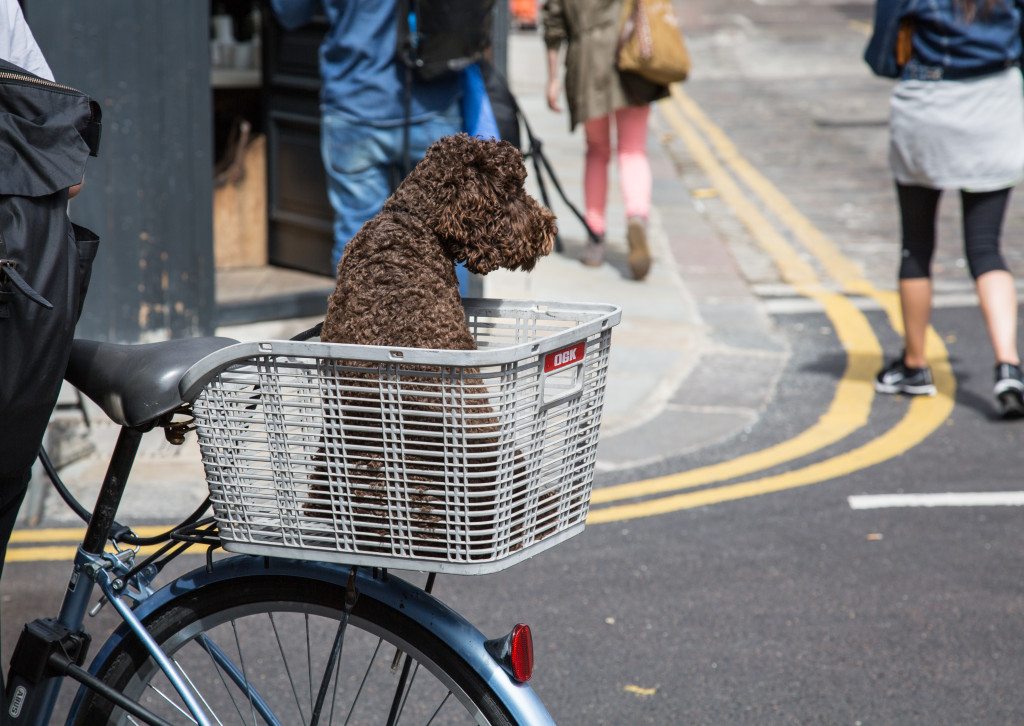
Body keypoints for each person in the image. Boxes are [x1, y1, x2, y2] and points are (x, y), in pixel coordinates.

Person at [865, 0, 1024, 417]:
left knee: (916, 244)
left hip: (929, 104)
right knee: (987, 246)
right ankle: (1008, 365)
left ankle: (915, 365)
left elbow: (882, 57)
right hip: (996, 103)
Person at [269, 1, 464, 272]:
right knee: (447, 236)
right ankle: (451, 315)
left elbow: (290, 13)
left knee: (358, 237)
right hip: (433, 100)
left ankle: (357, 315)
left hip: (356, 98)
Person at [542, 0, 668, 280]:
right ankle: (637, 216)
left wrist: (552, 78)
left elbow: (553, 22)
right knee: (633, 150)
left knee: (597, 152)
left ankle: (595, 236)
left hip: (587, 64)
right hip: (632, 58)